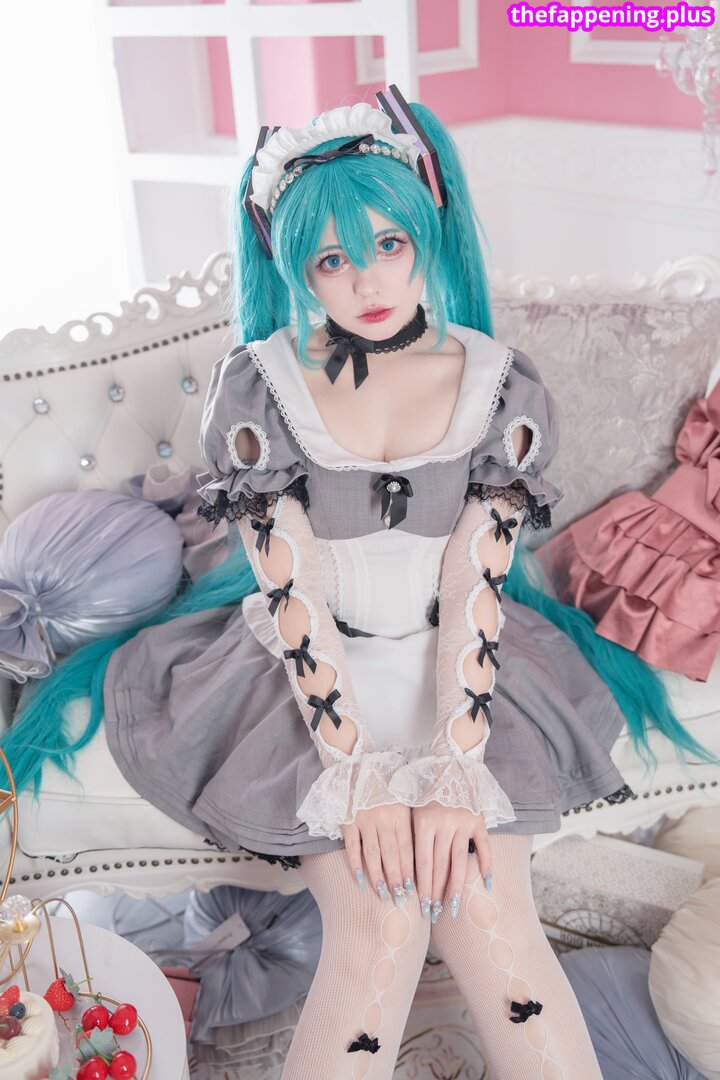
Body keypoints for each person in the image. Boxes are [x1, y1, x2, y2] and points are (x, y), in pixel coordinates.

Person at [101, 89, 641, 1079]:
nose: (367, 280)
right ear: (295, 270)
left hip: (462, 667)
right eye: (330, 261)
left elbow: (476, 583)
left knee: (488, 906)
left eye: (388, 244)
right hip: (305, 677)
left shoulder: (499, 382)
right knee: (382, 921)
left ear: (426, 227)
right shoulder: (261, 385)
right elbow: (293, 592)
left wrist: (453, 770)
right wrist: (355, 776)